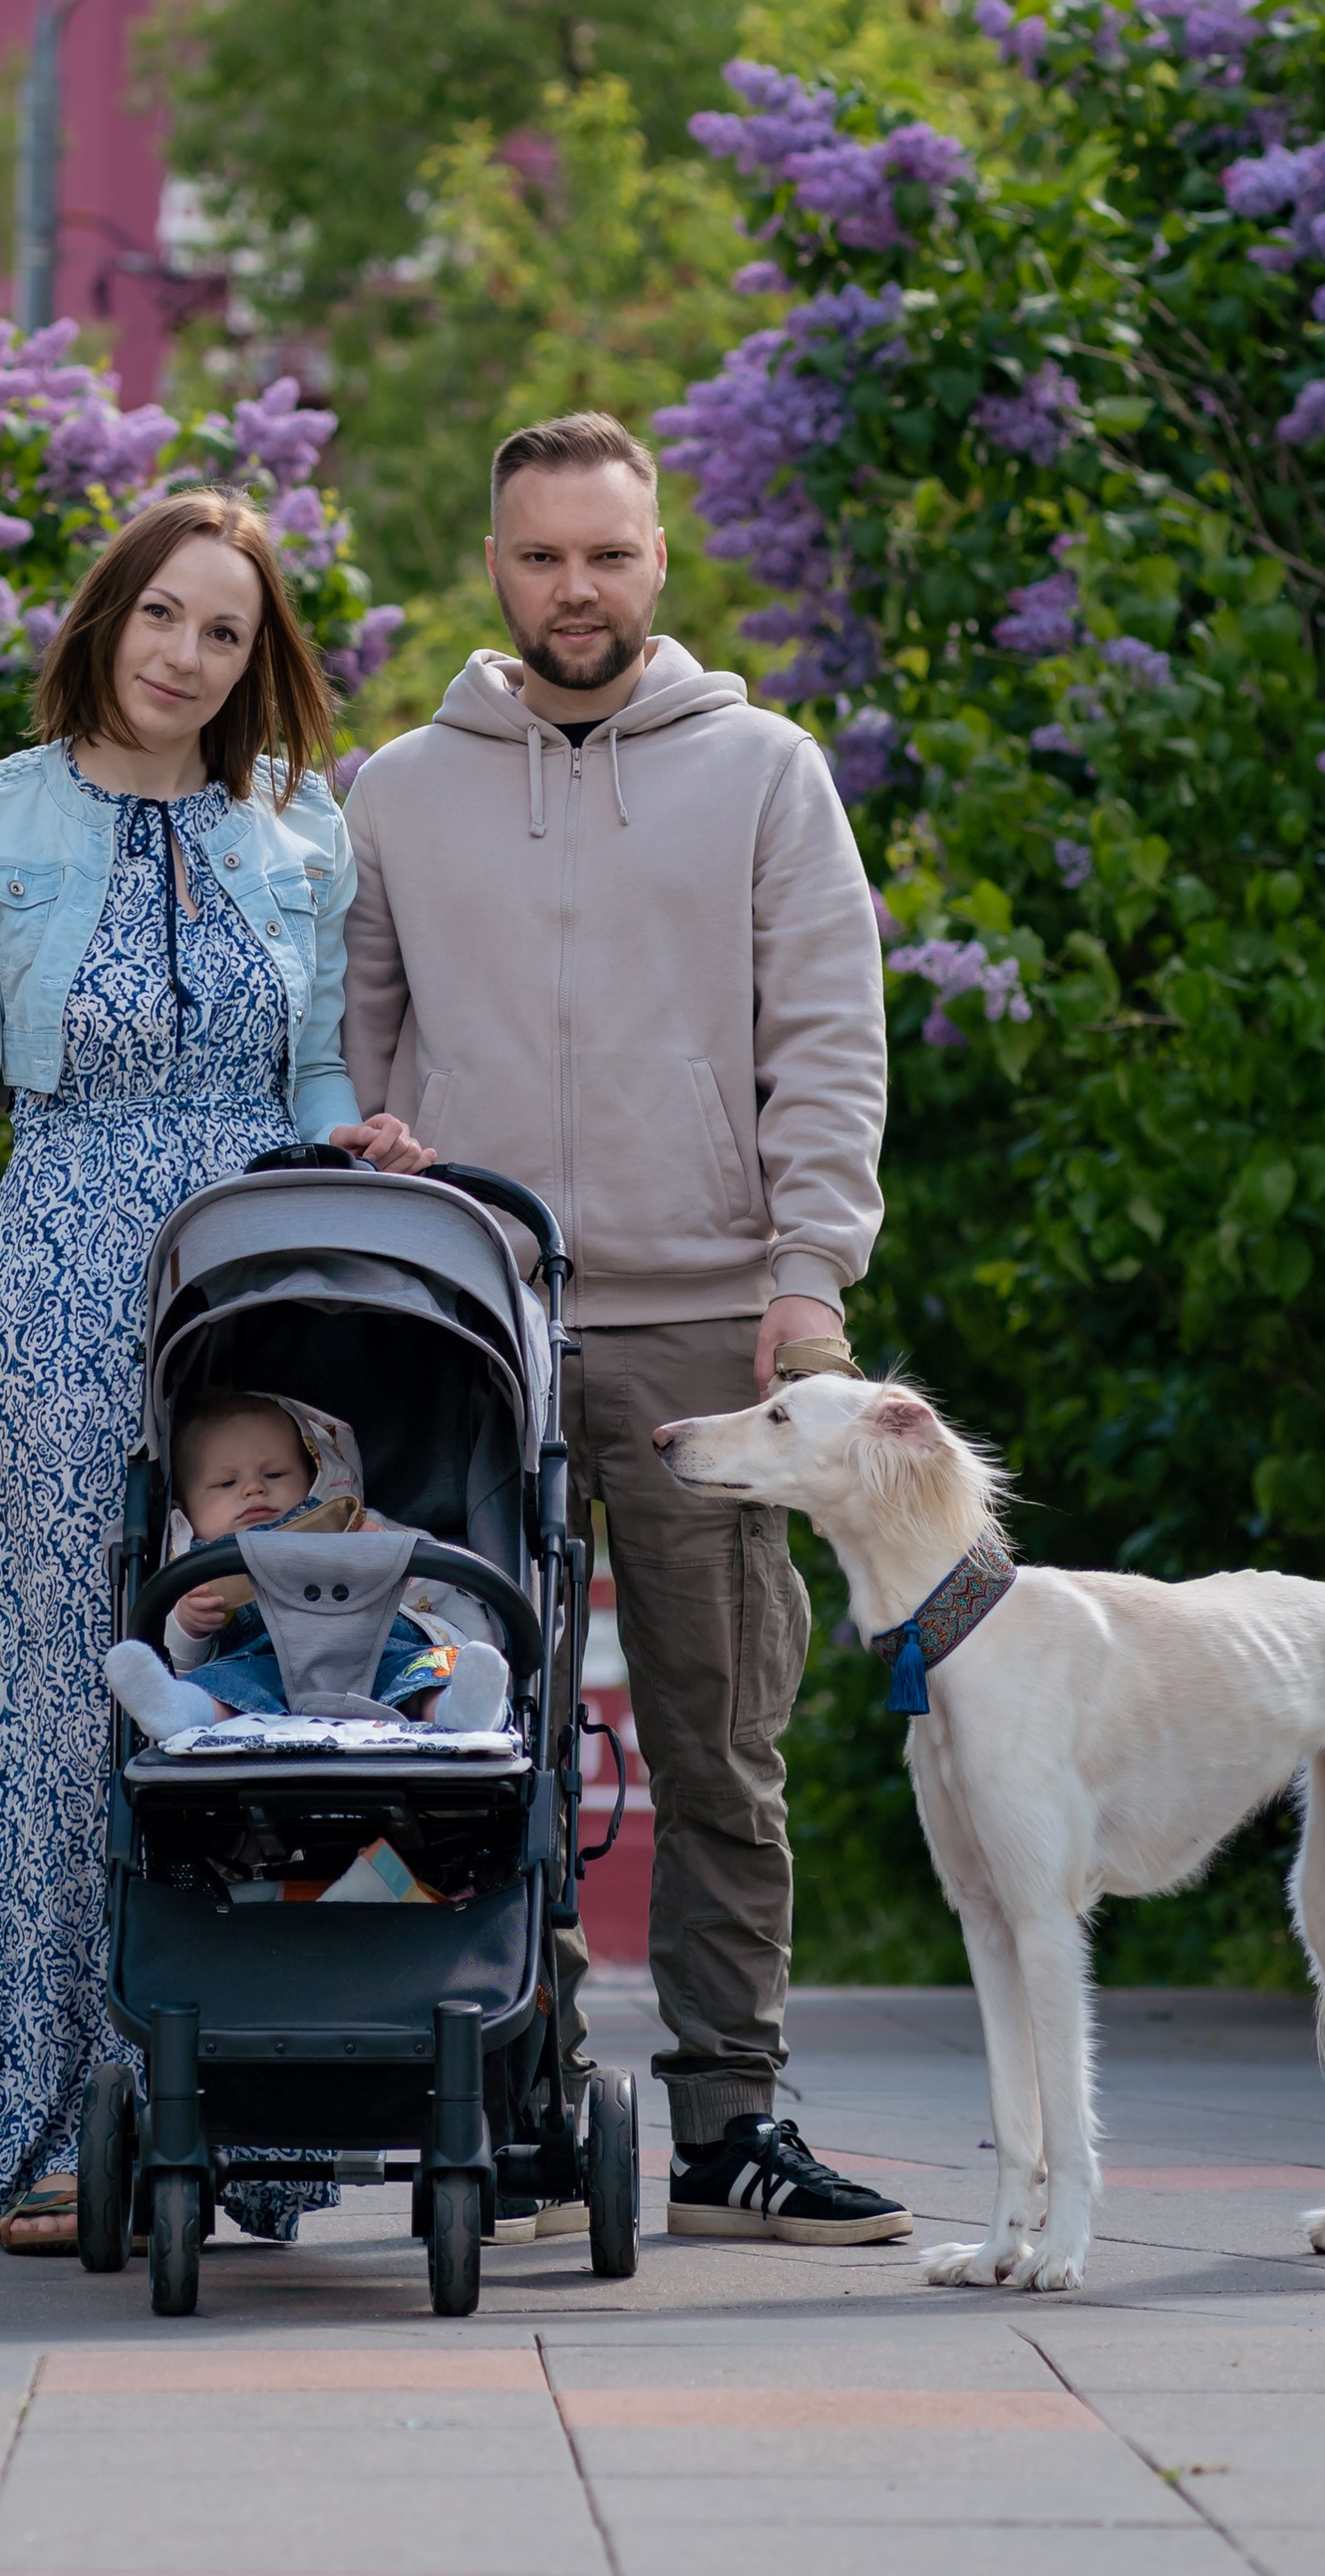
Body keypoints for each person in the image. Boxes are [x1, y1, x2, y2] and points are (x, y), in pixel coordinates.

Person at [0, 488, 424, 2254]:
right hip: (60, 1274)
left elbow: (316, 1075)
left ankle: (251, 2116)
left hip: (257, 1284)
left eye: (226, 631)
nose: (187, 656)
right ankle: (54, 2133)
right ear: (106, 618)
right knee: (58, 1700)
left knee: (265, 1661)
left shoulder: (302, 824)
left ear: (257, 661)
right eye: (162, 615)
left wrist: (360, 1140)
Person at [339, 411, 913, 2247]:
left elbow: (827, 1034)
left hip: (712, 1330)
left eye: (605, 553)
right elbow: (350, 1044)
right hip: (473, 1324)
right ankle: (513, 2108)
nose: (573, 588)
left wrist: (810, 1273)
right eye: (540, 556)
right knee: (465, 1737)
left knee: (721, 1737)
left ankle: (734, 2124)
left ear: (659, 558)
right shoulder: (396, 791)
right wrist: (376, 1168)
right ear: (493, 568)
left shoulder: (766, 771)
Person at [103, 1389, 512, 1739]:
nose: (253, 1488)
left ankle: (460, 1709)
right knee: (219, 1683)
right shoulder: (197, 1565)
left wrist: (390, 1561)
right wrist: (188, 1625)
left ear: (313, 1476)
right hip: (265, 1671)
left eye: (275, 1474)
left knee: (421, 1670)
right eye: (227, 1483)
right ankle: (179, 1710)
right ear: (186, 1508)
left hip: (377, 1652)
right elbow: (181, 1658)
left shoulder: (351, 1527)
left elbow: (439, 1584)